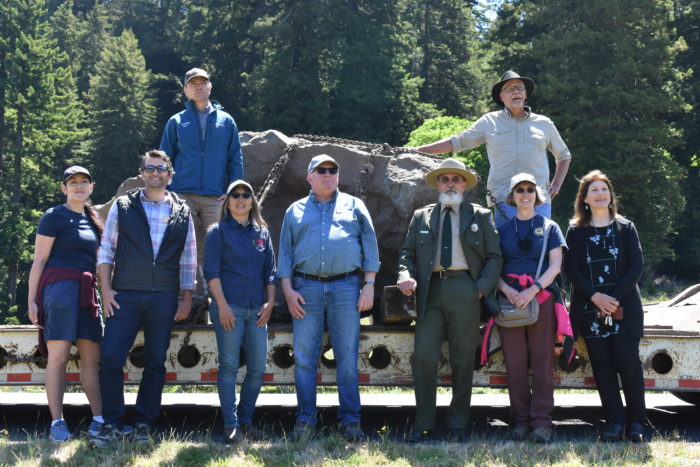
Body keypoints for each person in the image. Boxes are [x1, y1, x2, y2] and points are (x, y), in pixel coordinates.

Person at [89, 150, 196, 448]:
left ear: (169, 175)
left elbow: (188, 257)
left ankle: (143, 422)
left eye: (161, 169)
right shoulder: (123, 206)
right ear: (142, 173)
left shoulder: (182, 211)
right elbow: (106, 251)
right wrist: (106, 290)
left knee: (155, 361)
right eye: (150, 169)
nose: (155, 173)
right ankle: (112, 422)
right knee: (110, 358)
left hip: (163, 296)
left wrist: (186, 296)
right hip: (124, 294)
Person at [397, 158, 503, 443]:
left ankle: (458, 424)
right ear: (438, 185)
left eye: (456, 179)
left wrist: (479, 289)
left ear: (465, 185)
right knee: (424, 357)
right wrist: (405, 274)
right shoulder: (422, 215)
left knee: (462, 359)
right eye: (445, 179)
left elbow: (495, 257)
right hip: (430, 292)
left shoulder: (480, 215)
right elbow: (406, 254)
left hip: (465, 289)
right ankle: (424, 423)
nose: (450, 184)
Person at [278, 154, 380, 442]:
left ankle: (350, 420)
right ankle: (305, 419)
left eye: (333, 170)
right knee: (304, 357)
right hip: (305, 288)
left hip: (346, 288)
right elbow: (284, 253)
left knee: (347, 357)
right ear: (309, 177)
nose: (328, 174)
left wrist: (369, 285)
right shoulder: (294, 211)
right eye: (321, 170)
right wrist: (287, 290)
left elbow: (370, 247)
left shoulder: (355, 206)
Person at [415, 71, 571, 225]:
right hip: (504, 199)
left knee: (541, 246)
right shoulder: (489, 122)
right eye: (510, 89)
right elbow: (458, 142)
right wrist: (418, 150)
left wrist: (556, 184)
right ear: (502, 97)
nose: (516, 91)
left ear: (525, 94)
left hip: (538, 200)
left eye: (519, 88)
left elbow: (563, 155)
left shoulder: (544, 123)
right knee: (505, 248)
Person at [563, 170, 646, 443]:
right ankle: (614, 422)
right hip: (589, 309)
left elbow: (636, 266)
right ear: (584, 199)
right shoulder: (575, 231)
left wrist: (612, 299)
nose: (600, 194)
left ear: (611, 196)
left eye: (604, 189)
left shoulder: (625, 227)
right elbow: (571, 269)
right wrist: (596, 297)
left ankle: (636, 423)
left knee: (629, 364)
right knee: (603, 366)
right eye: (594, 190)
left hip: (625, 308)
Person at [27, 166, 104, 442]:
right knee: (57, 359)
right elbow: (39, 261)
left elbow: (101, 263)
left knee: (91, 360)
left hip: (86, 294)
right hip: (58, 292)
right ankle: (57, 423)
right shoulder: (53, 217)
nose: (79, 186)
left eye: (84, 181)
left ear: (91, 188)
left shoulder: (94, 220)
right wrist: (32, 302)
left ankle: (99, 419)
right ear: (64, 188)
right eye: (73, 182)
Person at [159, 67, 244, 298]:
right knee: (183, 244)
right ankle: (187, 298)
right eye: (192, 83)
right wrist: (165, 191)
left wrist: (233, 191)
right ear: (186, 90)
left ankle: (217, 299)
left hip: (215, 196)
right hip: (181, 194)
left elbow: (235, 157)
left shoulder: (226, 121)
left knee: (217, 246)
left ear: (210, 87)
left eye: (202, 82)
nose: (198, 86)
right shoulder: (176, 121)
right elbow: (164, 157)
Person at [495, 173, 567, 443]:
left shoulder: (550, 227)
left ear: (537, 195)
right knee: (514, 364)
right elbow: (493, 266)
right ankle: (520, 421)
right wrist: (509, 290)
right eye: (519, 190)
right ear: (512, 196)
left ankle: (542, 423)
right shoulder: (501, 229)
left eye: (529, 189)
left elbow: (555, 266)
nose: (525, 194)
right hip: (509, 300)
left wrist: (532, 290)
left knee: (542, 362)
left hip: (541, 299)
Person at [203, 180, 276, 444]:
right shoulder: (217, 232)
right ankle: (231, 425)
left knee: (257, 368)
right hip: (229, 308)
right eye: (236, 195)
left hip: (257, 309)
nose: (241, 199)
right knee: (229, 367)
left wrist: (269, 303)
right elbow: (212, 272)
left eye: (246, 194)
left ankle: (246, 421)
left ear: (252, 200)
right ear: (228, 201)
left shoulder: (262, 233)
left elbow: (270, 272)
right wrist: (221, 306)